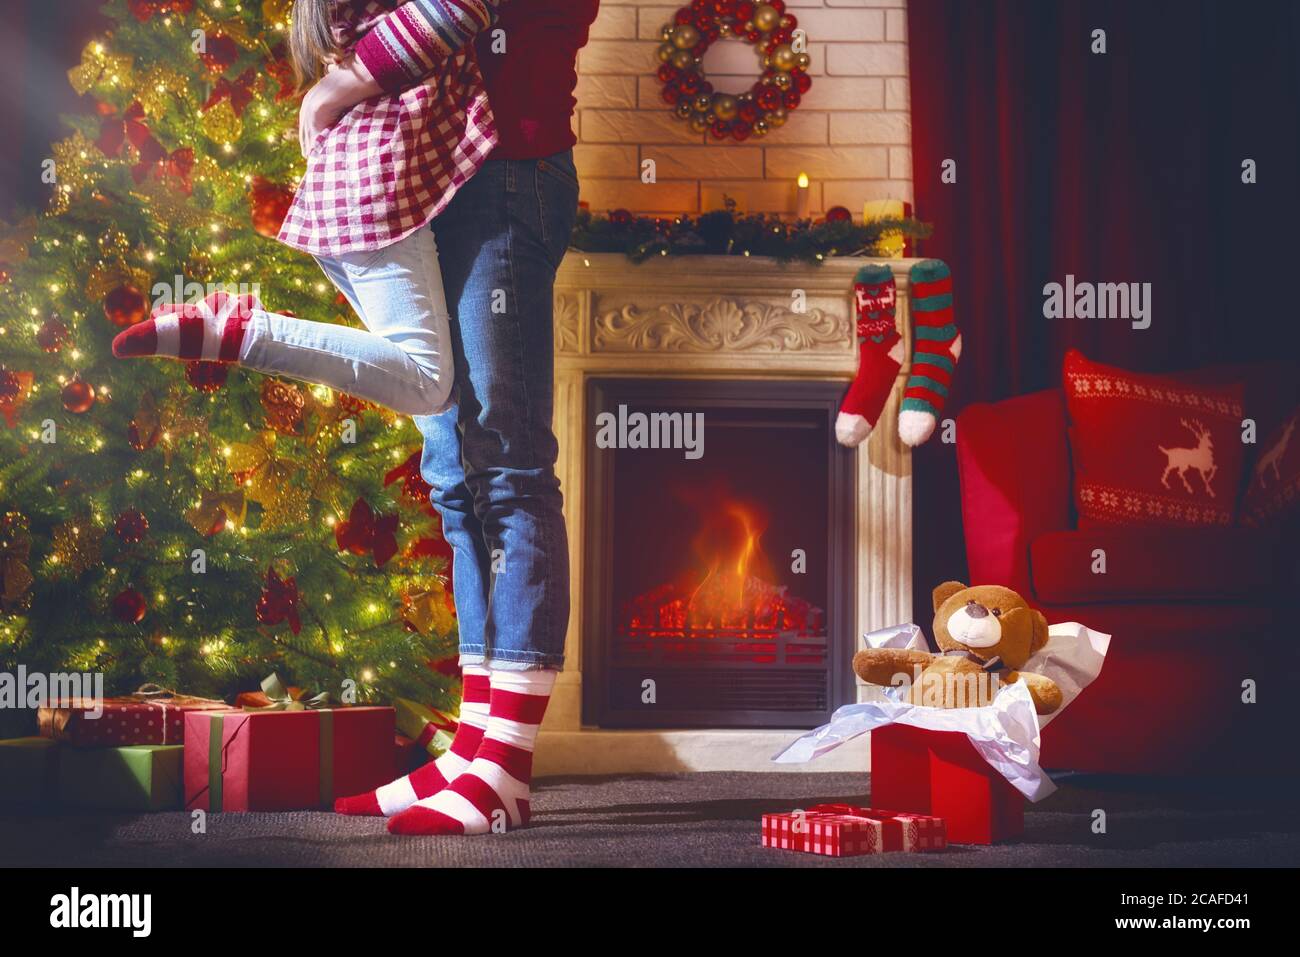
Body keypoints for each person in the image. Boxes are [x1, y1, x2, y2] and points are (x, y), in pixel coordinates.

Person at [326, 0, 599, 836]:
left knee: (507, 464)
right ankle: (474, 747)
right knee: (453, 472)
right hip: (440, 174)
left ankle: (506, 769)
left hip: (509, 172)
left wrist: (333, 89)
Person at [112, 0, 497, 422]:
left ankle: (231, 326)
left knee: (441, 394)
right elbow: (460, 7)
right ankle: (239, 333)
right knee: (426, 385)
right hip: (379, 188)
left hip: (348, 184)